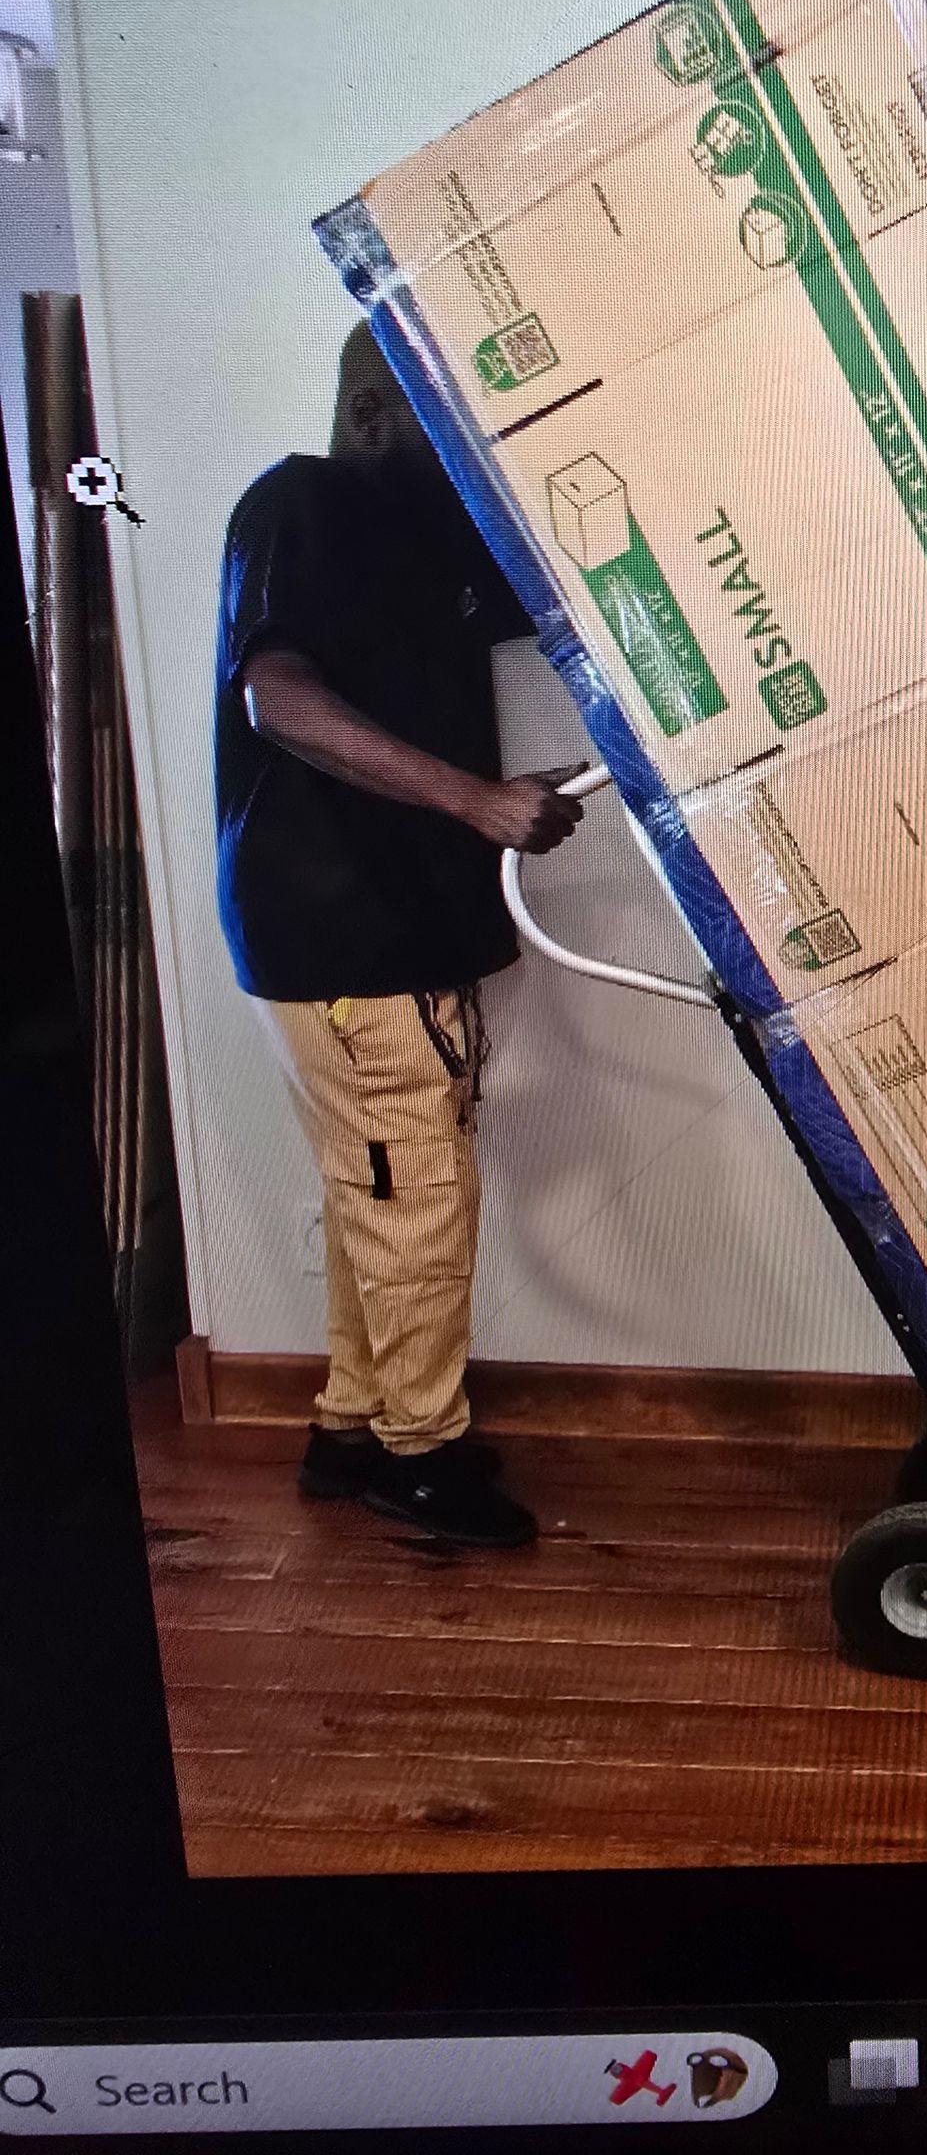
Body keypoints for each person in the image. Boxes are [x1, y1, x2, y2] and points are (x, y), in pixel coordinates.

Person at [214, 325, 583, 1548]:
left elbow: (561, 610)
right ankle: (420, 1461)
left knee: (376, 1188)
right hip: (345, 930)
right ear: (375, 415)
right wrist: (479, 801)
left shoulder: (435, 545)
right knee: (417, 1196)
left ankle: (351, 1424)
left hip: (393, 927)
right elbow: (280, 701)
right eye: (447, 419)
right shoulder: (302, 503)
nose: (470, 447)